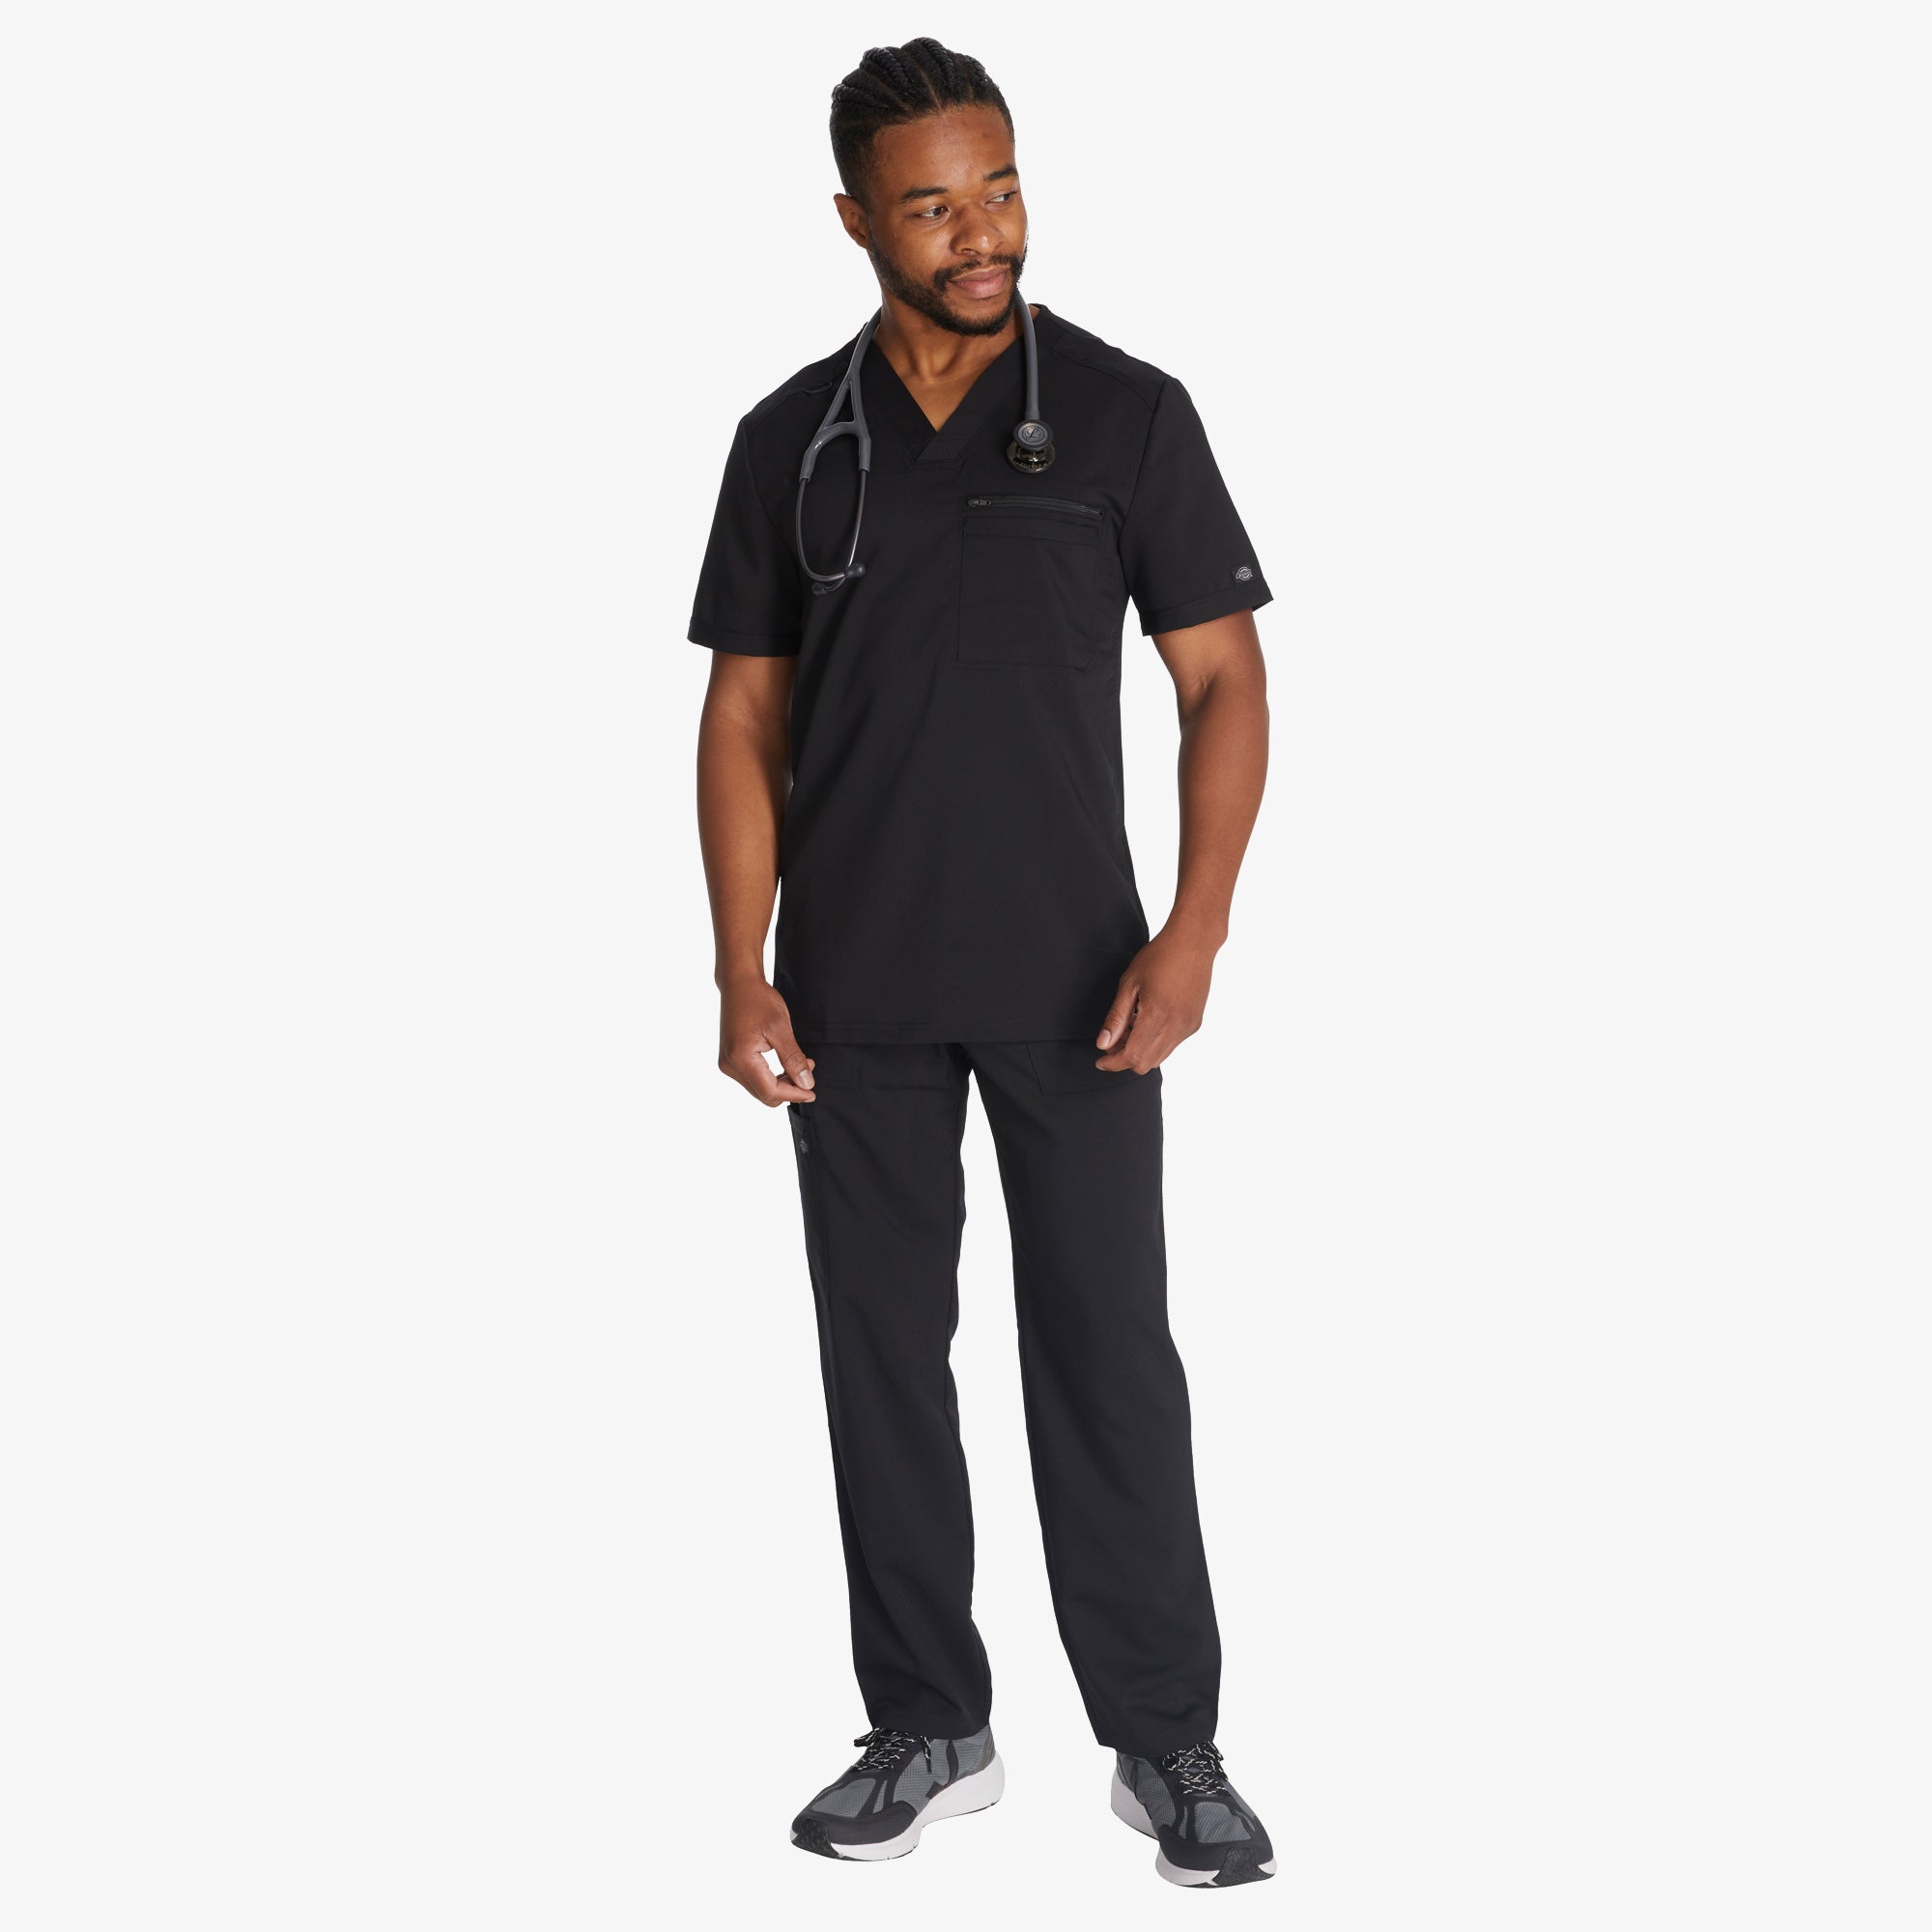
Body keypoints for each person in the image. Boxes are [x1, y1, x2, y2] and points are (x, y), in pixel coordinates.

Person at [689, 38, 1275, 1889]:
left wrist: (1194, 931)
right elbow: (744, 715)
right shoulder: (792, 440)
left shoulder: (1124, 414)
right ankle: (929, 1725)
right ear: (856, 220)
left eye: (1000, 189)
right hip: (852, 990)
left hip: (1082, 986)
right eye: (934, 206)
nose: (981, 234)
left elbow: (1223, 681)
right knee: (882, 1365)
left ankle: (1166, 1742)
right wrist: (740, 966)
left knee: (1108, 1357)